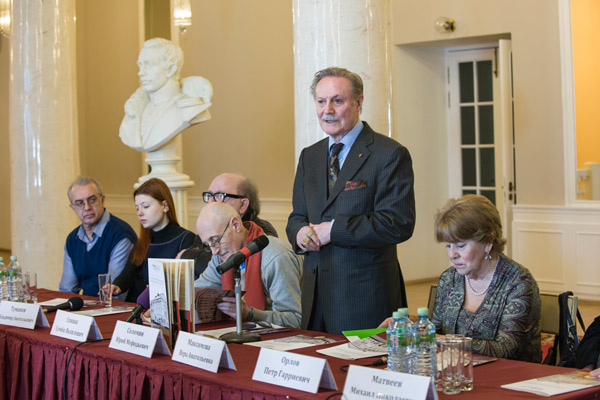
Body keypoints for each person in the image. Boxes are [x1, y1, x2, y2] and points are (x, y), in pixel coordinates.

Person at [286, 67, 416, 334]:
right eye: (321, 101)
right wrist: (298, 233)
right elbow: (297, 216)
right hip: (315, 297)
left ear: (359, 102)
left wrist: (333, 230)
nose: (327, 110)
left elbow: (397, 223)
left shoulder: (389, 154)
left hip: (364, 298)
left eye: (338, 100)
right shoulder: (309, 156)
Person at [431, 194, 541, 363]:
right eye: (448, 245)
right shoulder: (449, 278)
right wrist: (409, 328)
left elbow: (507, 349)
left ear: (488, 241)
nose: (452, 254)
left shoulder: (518, 282)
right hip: (455, 370)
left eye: (460, 245)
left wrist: (448, 341)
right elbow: (435, 331)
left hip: (511, 374)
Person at [194, 202, 302, 328]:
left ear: (236, 225)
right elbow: (196, 291)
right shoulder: (220, 257)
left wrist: (250, 314)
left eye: (216, 240)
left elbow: (296, 320)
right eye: (207, 245)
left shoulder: (276, 256)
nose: (214, 251)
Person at [119, 38, 212, 153]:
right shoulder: (136, 108)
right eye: (140, 66)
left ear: (171, 69)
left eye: (149, 65)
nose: (140, 72)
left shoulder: (190, 107)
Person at [111, 178, 195, 302]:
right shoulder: (144, 241)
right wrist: (116, 286)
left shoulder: (186, 239)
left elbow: (186, 287)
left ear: (165, 206)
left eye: (146, 206)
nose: (139, 213)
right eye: (137, 208)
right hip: (147, 306)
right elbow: (128, 274)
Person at [180, 172, 278, 278]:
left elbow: (234, 263)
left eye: (219, 196)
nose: (211, 202)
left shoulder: (262, 231)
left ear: (243, 205)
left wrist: (188, 255)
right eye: (209, 195)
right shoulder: (211, 228)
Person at [60, 176, 137, 298]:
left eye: (92, 200)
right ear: (73, 208)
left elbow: (114, 295)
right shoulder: (72, 239)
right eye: (79, 203)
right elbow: (67, 290)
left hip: (118, 307)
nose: (87, 207)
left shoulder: (120, 235)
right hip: (89, 306)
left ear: (102, 199)